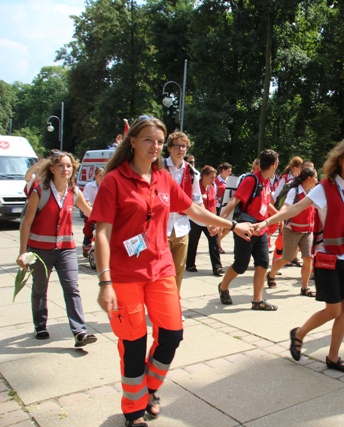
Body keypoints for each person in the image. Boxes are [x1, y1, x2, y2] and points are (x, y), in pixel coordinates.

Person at [91, 116, 253, 427]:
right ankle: (133, 411)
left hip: (160, 269)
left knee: (172, 335)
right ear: (133, 142)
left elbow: (193, 210)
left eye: (159, 141)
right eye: (149, 140)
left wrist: (232, 225)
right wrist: (105, 282)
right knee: (134, 344)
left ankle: (149, 388)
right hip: (125, 276)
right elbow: (102, 232)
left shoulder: (164, 178)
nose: (155, 147)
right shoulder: (114, 181)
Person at [255, 139, 344, 374]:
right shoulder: (324, 188)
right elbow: (295, 208)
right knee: (333, 310)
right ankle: (299, 333)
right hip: (328, 257)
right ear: (339, 161)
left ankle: (333, 357)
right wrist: (266, 221)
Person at [17, 151, 97, 347]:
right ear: (52, 169)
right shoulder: (40, 191)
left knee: (72, 288)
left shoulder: (74, 192)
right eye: (61, 165)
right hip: (40, 250)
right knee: (39, 288)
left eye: (69, 166)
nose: (65, 169)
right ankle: (40, 325)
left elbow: (91, 212)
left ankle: (80, 332)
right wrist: (22, 252)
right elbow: (26, 223)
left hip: (66, 250)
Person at [217, 150, 280, 311]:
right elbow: (234, 200)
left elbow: (266, 203)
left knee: (263, 263)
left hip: (261, 229)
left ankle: (257, 300)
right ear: (274, 165)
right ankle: (223, 287)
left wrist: (280, 216)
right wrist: (221, 220)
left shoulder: (265, 181)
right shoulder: (252, 180)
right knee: (241, 265)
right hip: (245, 228)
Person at [265, 167, 318, 296]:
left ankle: (304, 288)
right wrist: (279, 217)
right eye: (316, 177)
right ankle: (271, 274)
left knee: (308, 258)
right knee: (287, 258)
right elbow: (286, 206)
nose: (317, 180)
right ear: (309, 179)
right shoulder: (294, 192)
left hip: (308, 231)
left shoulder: (314, 192)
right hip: (292, 230)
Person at [165, 131, 203, 293]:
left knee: (179, 269)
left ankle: (174, 304)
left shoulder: (193, 174)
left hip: (181, 226)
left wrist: (210, 223)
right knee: (160, 269)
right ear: (169, 148)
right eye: (177, 146)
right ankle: (157, 305)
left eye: (184, 146)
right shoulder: (159, 168)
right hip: (161, 225)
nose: (181, 149)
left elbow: (198, 202)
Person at [186, 165, 224, 276]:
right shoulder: (196, 186)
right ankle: (190, 264)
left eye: (215, 177)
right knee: (193, 242)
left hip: (209, 220)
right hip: (195, 219)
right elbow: (196, 204)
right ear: (204, 176)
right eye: (211, 177)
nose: (214, 179)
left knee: (214, 243)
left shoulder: (213, 186)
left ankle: (217, 267)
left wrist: (215, 221)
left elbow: (214, 205)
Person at [81, 167, 104, 256]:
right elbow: (85, 199)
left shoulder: (107, 185)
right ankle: (86, 247)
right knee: (88, 230)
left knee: (100, 231)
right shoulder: (89, 186)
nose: (102, 177)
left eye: (103, 175)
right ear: (95, 176)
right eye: (100, 175)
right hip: (89, 212)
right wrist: (90, 205)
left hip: (102, 213)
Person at [215, 162, 233, 253]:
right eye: (228, 171)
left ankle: (217, 241)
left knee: (228, 226)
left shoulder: (228, 181)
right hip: (218, 206)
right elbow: (213, 194)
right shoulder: (216, 181)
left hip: (226, 206)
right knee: (220, 227)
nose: (230, 173)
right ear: (222, 171)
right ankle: (218, 245)